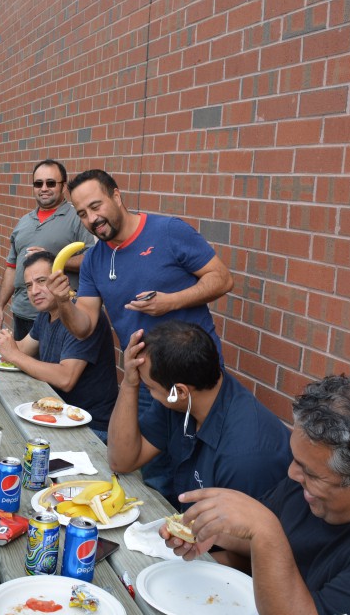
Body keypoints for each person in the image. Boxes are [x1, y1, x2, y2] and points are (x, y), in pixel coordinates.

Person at [163, 374, 350, 615]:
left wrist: (264, 530)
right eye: (296, 460)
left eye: (310, 472)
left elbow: (273, 544)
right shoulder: (314, 482)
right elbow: (273, 548)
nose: (293, 475)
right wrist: (213, 527)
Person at [50, 168, 234, 491]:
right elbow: (85, 327)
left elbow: (222, 278)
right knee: (155, 478)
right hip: (148, 386)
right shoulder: (94, 260)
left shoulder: (168, 231)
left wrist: (171, 302)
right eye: (82, 214)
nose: (92, 219)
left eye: (96, 206)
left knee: (202, 476)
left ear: (116, 196)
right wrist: (63, 302)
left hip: (197, 381)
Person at [107, 321, 291, 507]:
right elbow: (121, 461)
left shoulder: (244, 457)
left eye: (150, 387)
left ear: (180, 392)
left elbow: (240, 533)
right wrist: (130, 384)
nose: (151, 393)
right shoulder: (182, 398)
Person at [0, 250, 118, 442]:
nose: (34, 291)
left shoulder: (82, 318)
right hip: (55, 415)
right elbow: (22, 348)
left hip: (90, 427)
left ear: (61, 280)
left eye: (42, 281)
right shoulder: (46, 313)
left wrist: (14, 355)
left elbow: (65, 378)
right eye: (29, 285)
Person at [0, 158, 94, 340]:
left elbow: (92, 259)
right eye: (38, 183)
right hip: (22, 312)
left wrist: (54, 260)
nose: (44, 188)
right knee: (22, 364)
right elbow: (12, 269)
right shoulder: (23, 222)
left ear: (63, 187)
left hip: (60, 316)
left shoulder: (77, 218)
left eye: (51, 183)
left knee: (50, 367)